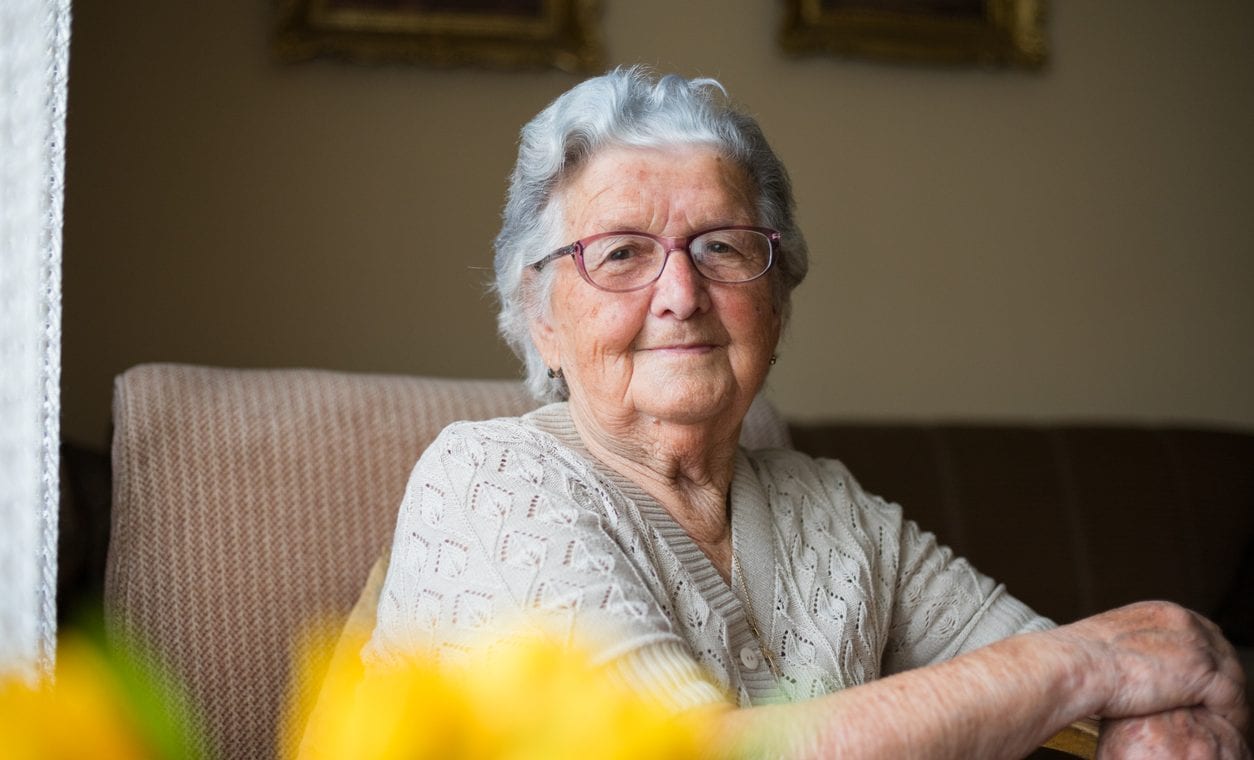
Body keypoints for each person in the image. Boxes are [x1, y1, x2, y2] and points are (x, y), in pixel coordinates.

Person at [366, 67, 1249, 757]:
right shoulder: (489, 482)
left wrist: (1149, 721)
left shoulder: (831, 508)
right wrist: (1092, 662)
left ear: (777, 307)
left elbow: (1093, 680)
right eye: (623, 253)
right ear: (542, 318)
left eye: (721, 247)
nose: (681, 293)